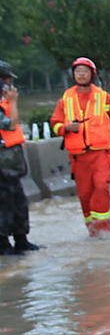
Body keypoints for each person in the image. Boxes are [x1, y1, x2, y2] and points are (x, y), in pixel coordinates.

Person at [49, 57, 110, 236]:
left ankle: (104, 232)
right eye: (77, 71)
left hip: (101, 156)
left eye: (84, 71)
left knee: (101, 187)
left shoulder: (106, 98)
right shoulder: (65, 98)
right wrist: (66, 127)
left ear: (92, 74)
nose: (81, 74)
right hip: (78, 158)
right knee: (85, 196)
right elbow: (55, 124)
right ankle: (92, 232)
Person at [0, 60, 39, 255]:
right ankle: (3, 244)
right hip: (2, 164)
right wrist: (14, 102)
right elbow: (12, 125)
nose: (10, 84)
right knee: (4, 203)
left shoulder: (3, 101)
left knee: (18, 201)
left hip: (11, 160)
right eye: (7, 80)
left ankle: (21, 240)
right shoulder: (6, 103)